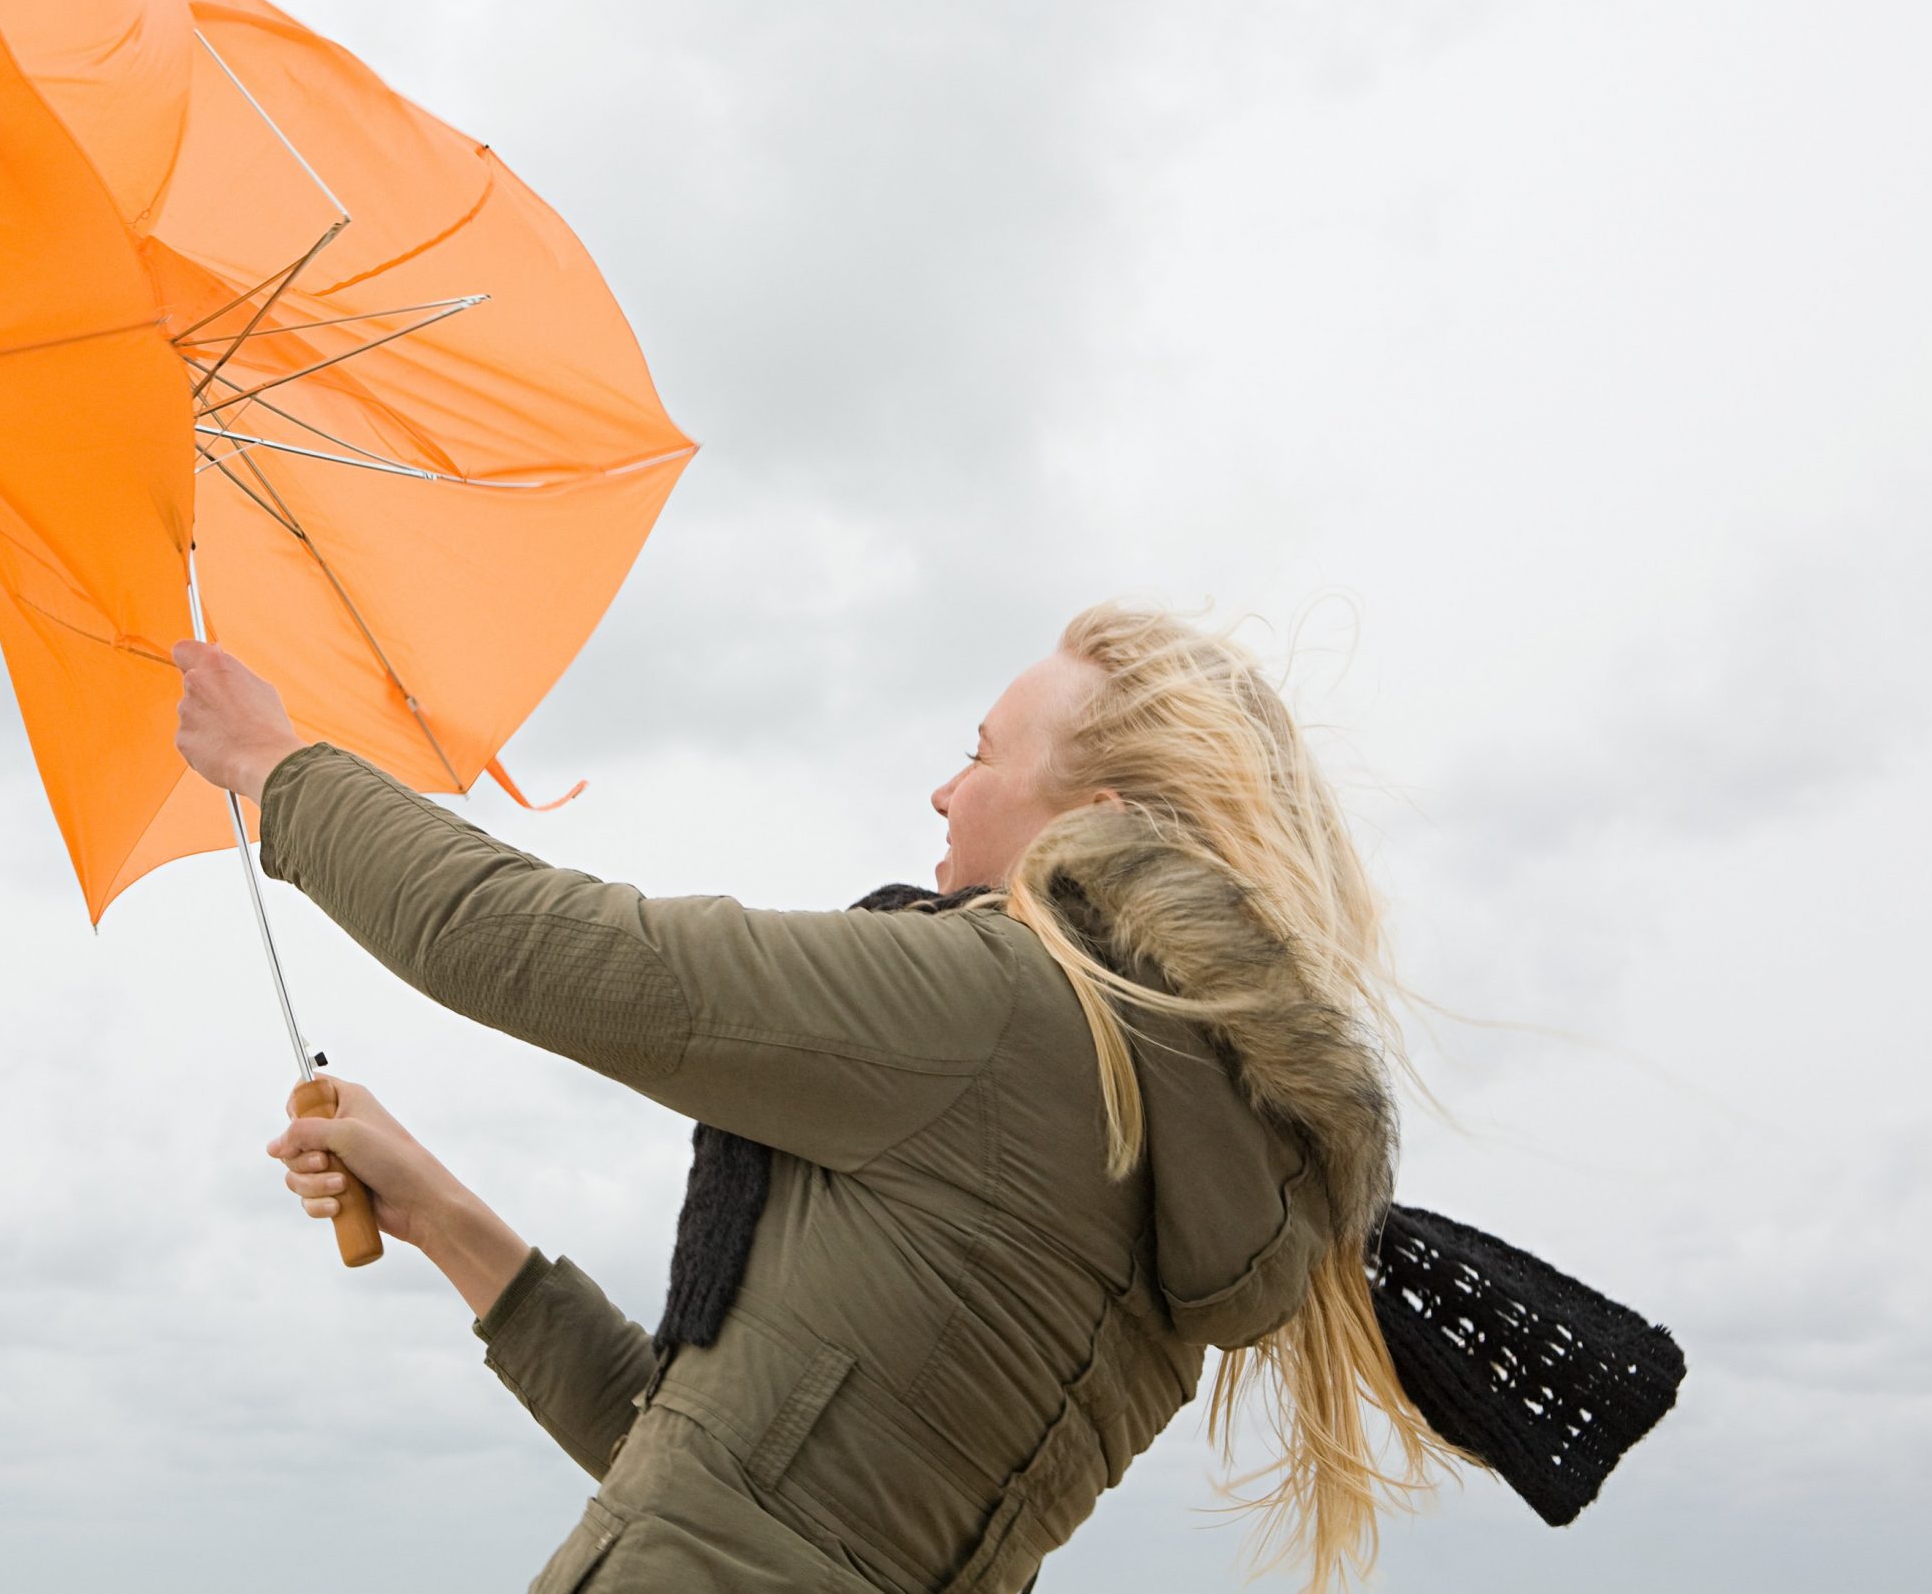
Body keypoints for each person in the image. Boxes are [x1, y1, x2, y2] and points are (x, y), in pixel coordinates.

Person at [170, 600, 1465, 1594]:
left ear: (1102, 823)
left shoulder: (1009, 1011)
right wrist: (448, 1220)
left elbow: (558, 952)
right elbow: (709, 1488)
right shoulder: (1168, 1128)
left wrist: (279, 767)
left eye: (981, 753)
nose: (944, 789)